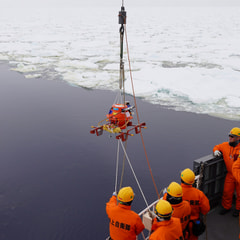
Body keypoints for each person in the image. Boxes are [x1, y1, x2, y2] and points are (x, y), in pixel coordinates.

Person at [213, 127, 240, 217]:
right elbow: (217, 146)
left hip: (239, 174)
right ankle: (226, 207)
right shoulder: (225, 146)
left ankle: (238, 209)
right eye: (229, 136)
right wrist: (216, 151)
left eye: (232, 136)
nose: (230, 138)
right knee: (227, 192)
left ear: (238, 138)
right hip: (230, 174)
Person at [181, 168, 210, 240]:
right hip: (193, 226)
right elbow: (205, 209)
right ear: (193, 181)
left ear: (182, 179)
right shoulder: (199, 194)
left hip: (180, 226)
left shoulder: (175, 194)